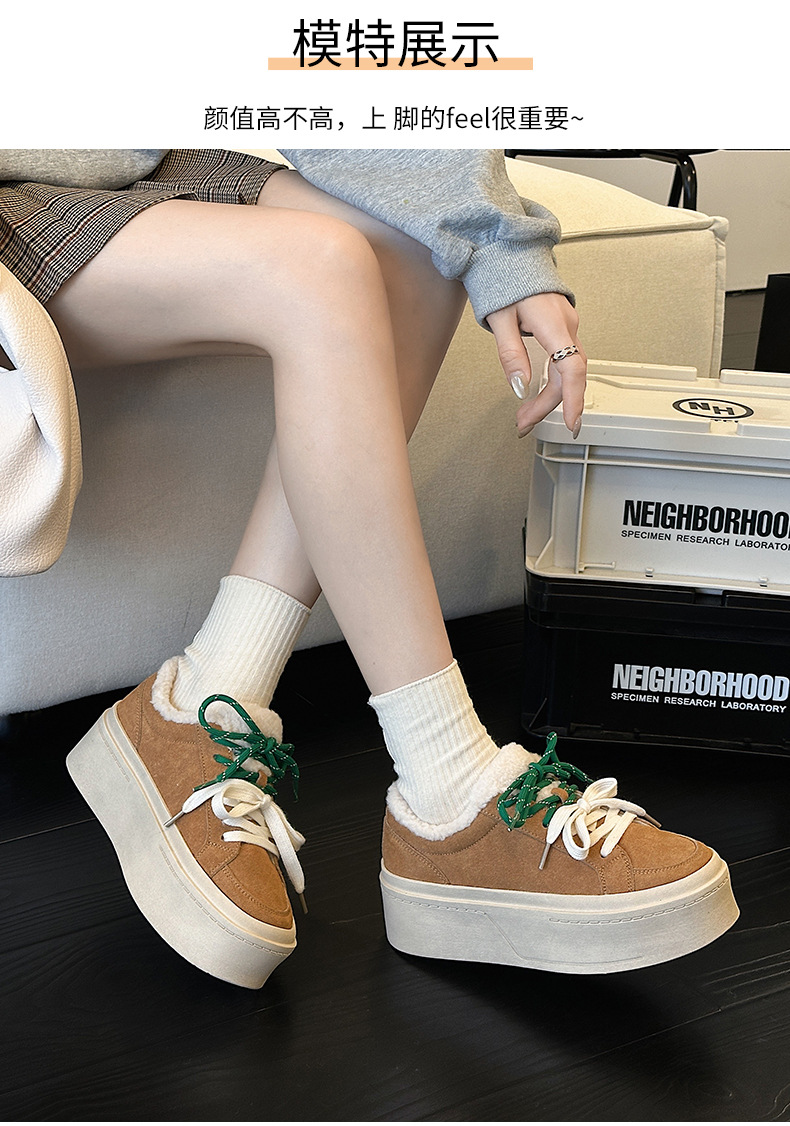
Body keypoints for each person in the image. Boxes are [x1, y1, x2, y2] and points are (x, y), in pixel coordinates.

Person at [0, 148, 738, 988]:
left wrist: (501, 244)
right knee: (318, 265)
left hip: (128, 160)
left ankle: (209, 692)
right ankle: (448, 785)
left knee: (414, 244)